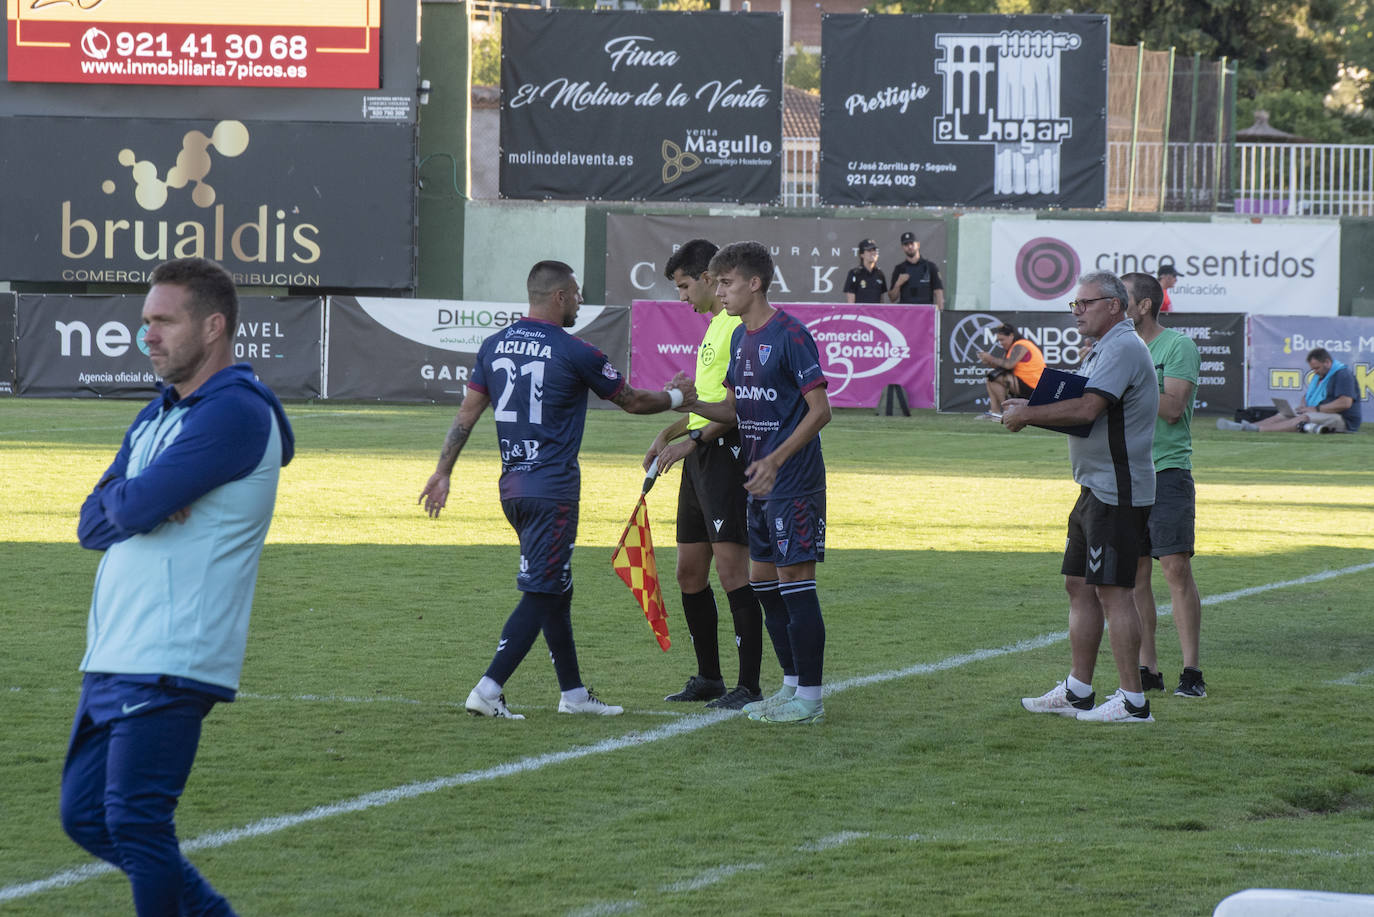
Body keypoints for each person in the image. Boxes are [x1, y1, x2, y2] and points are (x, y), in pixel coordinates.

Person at [64, 257, 295, 915]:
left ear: (214, 326)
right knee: (86, 816)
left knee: (136, 822)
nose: (148, 336)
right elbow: (93, 520)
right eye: (145, 323)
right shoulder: (158, 413)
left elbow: (130, 510)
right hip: (113, 650)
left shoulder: (236, 413)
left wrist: (133, 498)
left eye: (163, 321)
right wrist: (136, 495)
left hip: (172, 652)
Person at [420, 260, 697, 719]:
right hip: (553, 490)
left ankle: (573, 694)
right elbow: (631, 401)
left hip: (513, 487)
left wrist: (443, 471)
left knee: (557, 587)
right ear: (560, 297)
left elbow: (466, 416)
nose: (581, 301)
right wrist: (677, 398)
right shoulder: (576, 351)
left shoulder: (493, 346)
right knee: (543, 589)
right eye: (577, 293)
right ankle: (488, 689)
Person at [1002, 270, 1159, 723]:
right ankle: (1078, 691)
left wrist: (1028, 414)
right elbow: (1083, 408)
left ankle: (1133, 702)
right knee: (1079, 585)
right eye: (1074, 305)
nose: (1077, 312)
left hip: (1118, 488)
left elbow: (1089, 408)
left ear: (1114, 305)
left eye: (1084, 304)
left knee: (1114, 592)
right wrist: (1033, 410)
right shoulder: (1106, 348)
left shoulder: (1123, 347)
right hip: (1096, 486)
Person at [690, 241, 832, 725]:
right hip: (758, 483)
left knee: (796, 581)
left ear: (754, 283)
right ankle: (790, 685)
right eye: (716, 283)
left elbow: (821, 411)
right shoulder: (740, 338)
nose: (719, 291)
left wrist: (776, 459)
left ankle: (810, 699)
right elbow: (732, 409)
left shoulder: (790, 334)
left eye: (726, 282)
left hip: (792, 482)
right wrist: (686, 402)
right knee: (763, 583)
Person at [643, 239, 764, 710]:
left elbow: (737, 409)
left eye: (684, 286)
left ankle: (749, 685)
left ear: (710, 278)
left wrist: (690, 442)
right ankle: (709, 677)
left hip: (724, 456)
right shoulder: (715, 325)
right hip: (697, 457)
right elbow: (703, 404)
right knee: (689, 572)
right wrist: (667, 434)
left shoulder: (737, 326)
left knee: (734, 570)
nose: (681, 297)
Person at [1122, 272, 1207, 699]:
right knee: (1136, 575)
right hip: (1126, 474)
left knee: (1175, 569)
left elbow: (1173, 408)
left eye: (1124, 298)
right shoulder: (1114, 348)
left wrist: (1129, 384)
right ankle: (1148, 668)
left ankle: (1191, 671)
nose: (1116, 305)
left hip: (1168, 470)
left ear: (1144, 306)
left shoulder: (1178, 346)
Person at [1217, 347, 1361, 434]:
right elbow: (1310, 396)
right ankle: (1245, 427)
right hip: (1323, 412)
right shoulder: (1322, 377)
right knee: (1285, 414)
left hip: (1344, 421)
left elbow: (1345, 403)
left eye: (1317, 368)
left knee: (1304, 418)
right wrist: (1305, 405)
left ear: (1328, 362)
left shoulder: (1343, 375)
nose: (1315, 372)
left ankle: (1258, 430)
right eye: (1313, 369)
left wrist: (1315, 409)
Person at [976, 322, 1046, 417]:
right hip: (1026, 384)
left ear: (1011, 336)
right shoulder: (1013, 347)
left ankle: (1008, 412)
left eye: (1002, 340)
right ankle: (994, 412)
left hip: (1035, 387)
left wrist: (991, 358)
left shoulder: (1021, 345)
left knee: (992, 376)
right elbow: (1003, 368)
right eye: (999, 341)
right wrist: (989, 362)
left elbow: (1009, 365)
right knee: (991, 376)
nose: (1000, 343)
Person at [888, 230, 944, 308]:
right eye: (906, 244)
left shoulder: (930, 267)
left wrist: (939, 313)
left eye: (912, 243)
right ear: (902, 247)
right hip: (905, 314)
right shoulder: (899, 269)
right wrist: (898, 284)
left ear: (918, 245)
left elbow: (938, 292)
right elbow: (892, 298)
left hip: (925, 313)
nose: (909, 247)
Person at [842, 238, 887, 304]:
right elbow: (850, 303)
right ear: (862, 255)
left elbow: (881, 300)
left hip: (875, 314)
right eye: (869, 250)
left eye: (874, 250)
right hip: (860, 314)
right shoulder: (854, 273)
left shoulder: (880, 274)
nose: (873, 252)